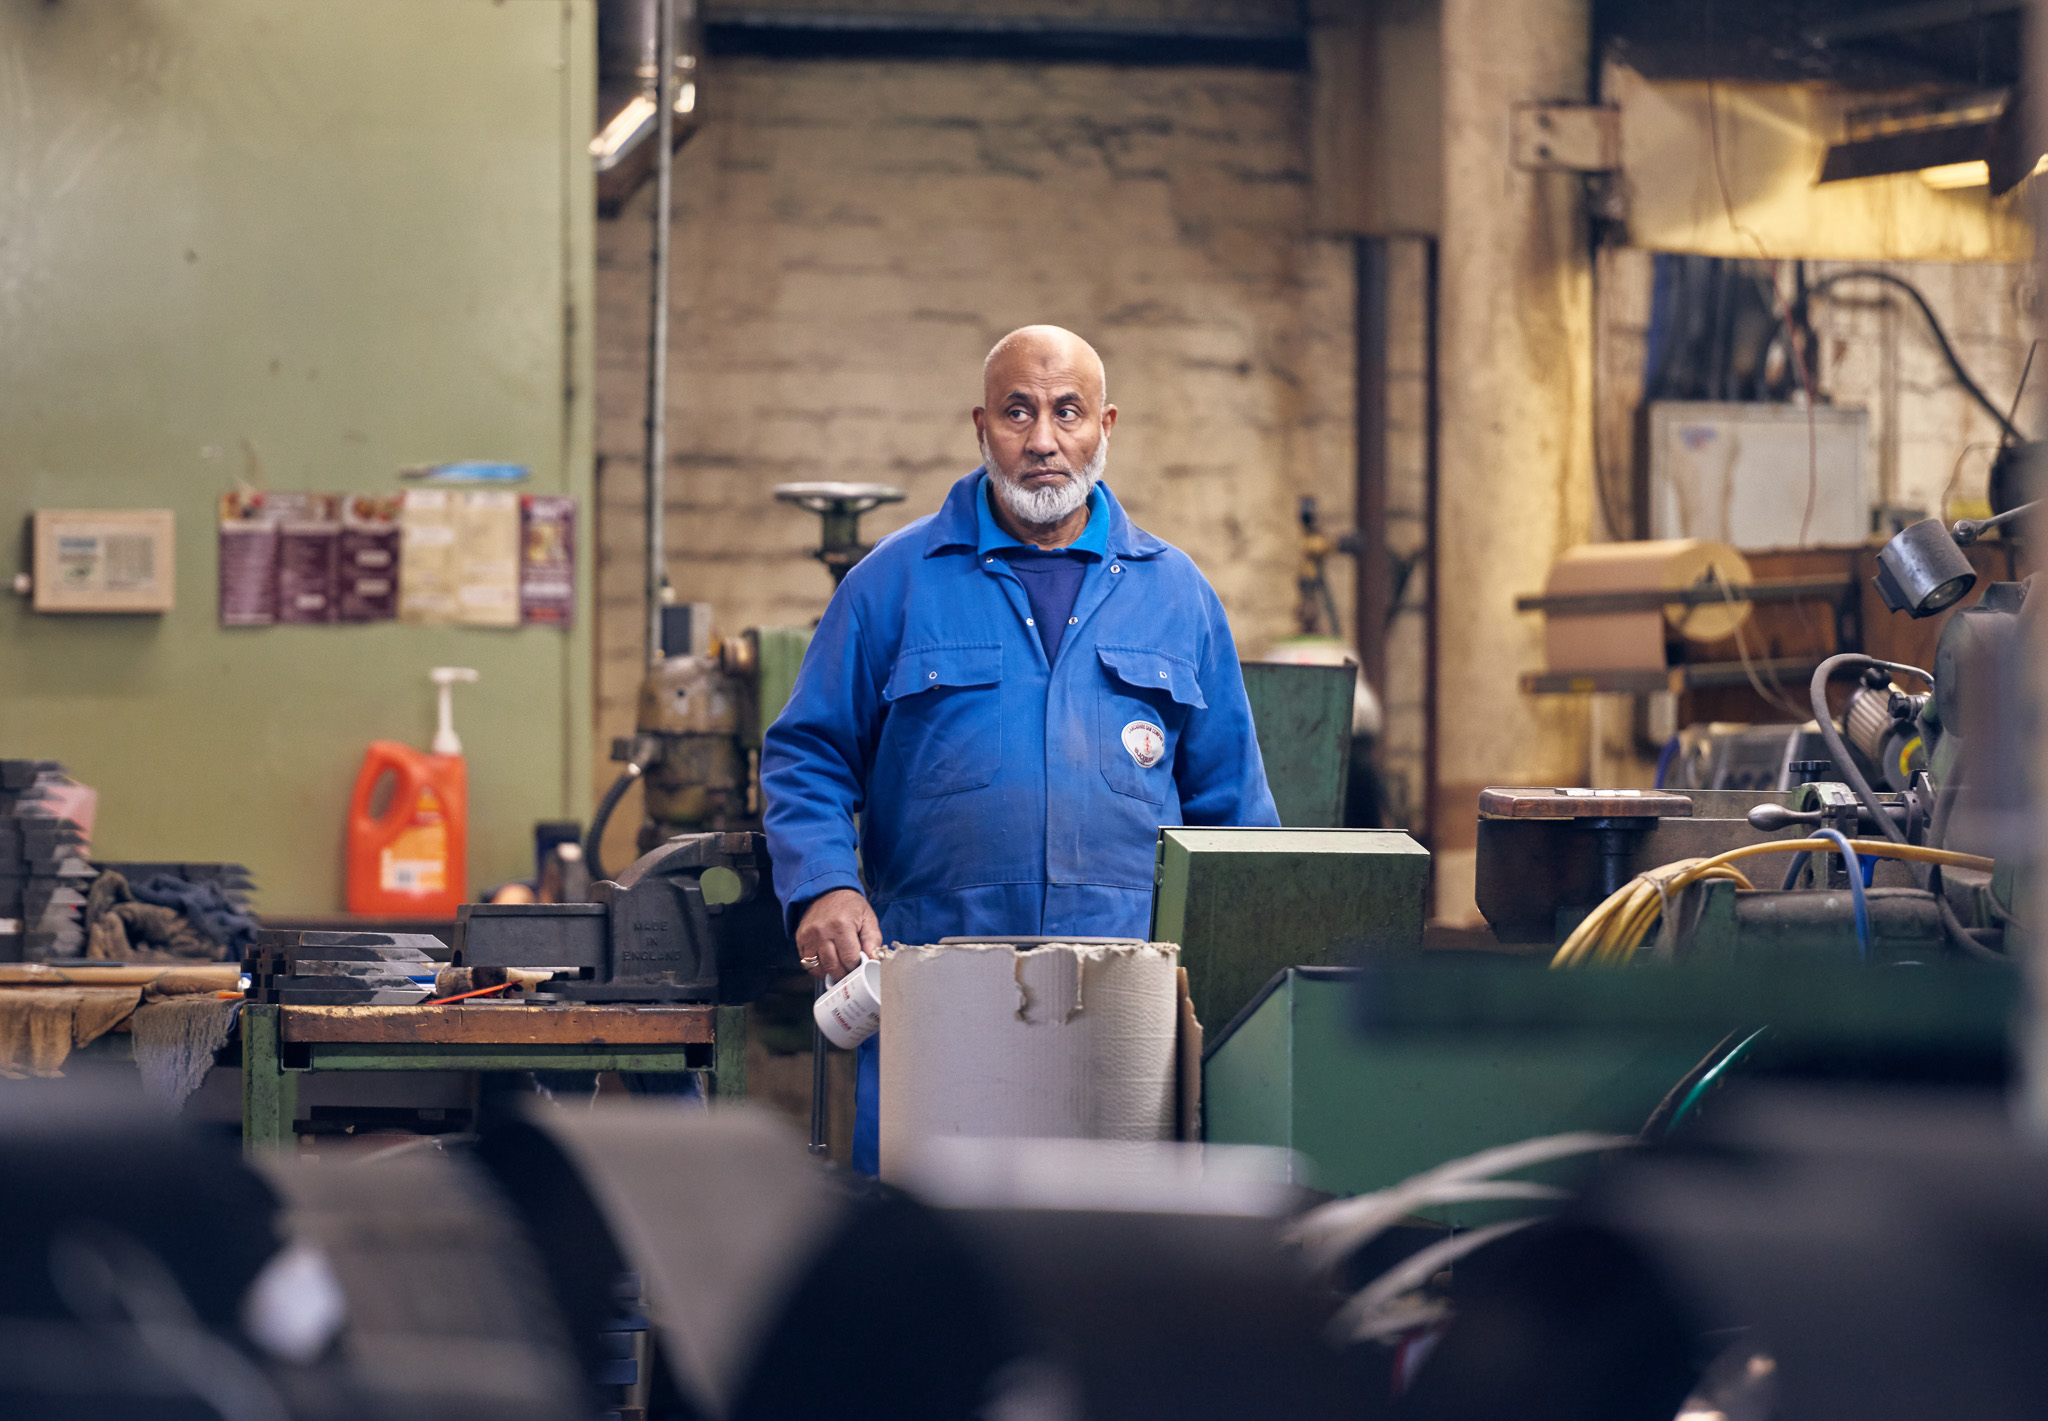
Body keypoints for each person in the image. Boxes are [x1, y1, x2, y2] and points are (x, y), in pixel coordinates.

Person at [760, 324, 1279, 1173]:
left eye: (1068, 412)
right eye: (1018, 412)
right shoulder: (893, 583)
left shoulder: (1176, 594)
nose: (1043, 439)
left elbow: (1235, 821)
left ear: (1105, 426)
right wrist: (824, 882)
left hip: (1128, 1004)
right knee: (935, 1253)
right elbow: (807, 752)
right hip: (941, 991)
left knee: (1116, 1252)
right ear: (980, 426)